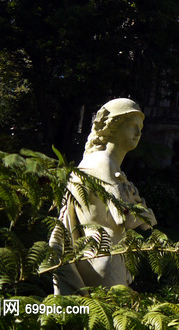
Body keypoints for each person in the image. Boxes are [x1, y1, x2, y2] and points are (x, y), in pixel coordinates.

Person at [50, 98, 157, 295]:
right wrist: (146, 212)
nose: (139, 133)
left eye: (140, 127)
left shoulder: (101, 163)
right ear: (113, 127)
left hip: (101, 256)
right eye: (132, 126)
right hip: (102, 259)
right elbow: (127, 218)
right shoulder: (102, 163)